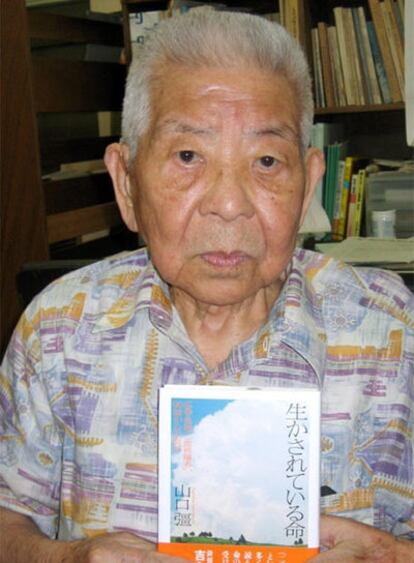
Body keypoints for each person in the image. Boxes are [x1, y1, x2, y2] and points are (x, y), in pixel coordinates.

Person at [0, 8, 413, 563]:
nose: (229, 202)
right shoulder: (58, 329)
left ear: (309, 181)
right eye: (189, 156)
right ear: (126, 182)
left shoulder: (393, 330)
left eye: (266, 160)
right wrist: (68, 558)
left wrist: (393, 555)